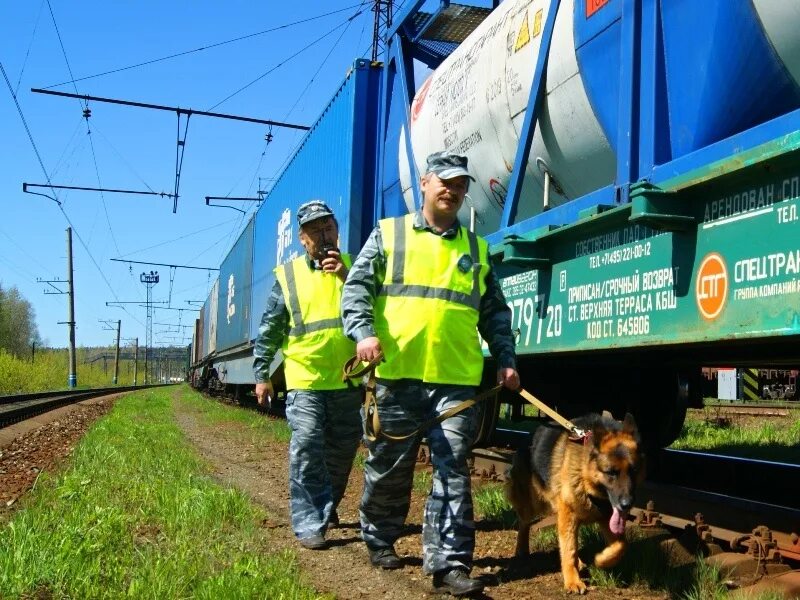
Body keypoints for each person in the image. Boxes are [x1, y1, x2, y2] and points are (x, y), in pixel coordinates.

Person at [341, 151, 520, 597]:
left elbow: (495, 313)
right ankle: (380, 537)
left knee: (452, 469)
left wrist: (506, 358)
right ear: (424, 183)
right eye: (445, 181)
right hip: (396, 376)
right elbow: (356, 289)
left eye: (460, 185)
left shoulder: (476, 249)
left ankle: (449, 563)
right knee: (389, 467)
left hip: (454, 381)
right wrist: (362, 333)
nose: (453, 190)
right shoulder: (389, 235)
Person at [253, 200, 362, 551]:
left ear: (337, 230)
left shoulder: (358, 269)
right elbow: (270, 329)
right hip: (305, 380)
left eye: (329, 227)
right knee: (307, 448)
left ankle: (325, 506)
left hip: (348, 380)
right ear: (302, 238)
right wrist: (261, 373)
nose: (324, 235)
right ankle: (308, 521)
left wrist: (347, 276)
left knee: (342, 452)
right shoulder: (288, 277)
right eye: (315, 230)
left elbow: (382, 310)